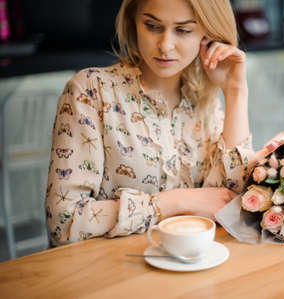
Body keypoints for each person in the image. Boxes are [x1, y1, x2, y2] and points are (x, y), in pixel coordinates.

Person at [46, 0, 254, 246]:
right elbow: (63, 221)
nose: (165, 46)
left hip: (190, 267)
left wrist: (235, 93)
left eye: (183, 30)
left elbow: (232, 202)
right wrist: (178, 201)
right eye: (152, 26)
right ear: (134, 22)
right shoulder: (92, 90)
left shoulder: (205, 104)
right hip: (109, 273)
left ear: (208, 35)